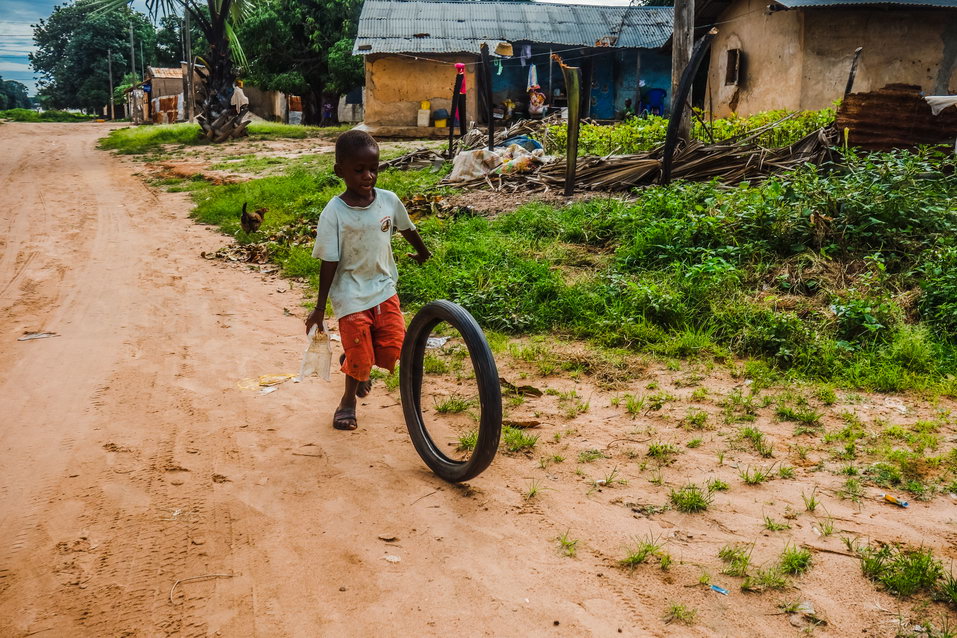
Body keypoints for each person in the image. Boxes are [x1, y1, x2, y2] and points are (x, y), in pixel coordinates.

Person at [305, 130, 431, 431]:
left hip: (383, 286)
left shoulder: (388, 201)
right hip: (349, 294)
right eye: (359, 170)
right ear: (340, 171)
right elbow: (329, 260)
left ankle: (353, 358)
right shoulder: (334, 212)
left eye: (373, 168)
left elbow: (406, 227)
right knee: (363, 356)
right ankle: (347, 401)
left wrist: (423, 252)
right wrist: (320, 308)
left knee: (391, 347)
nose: (368, 176)